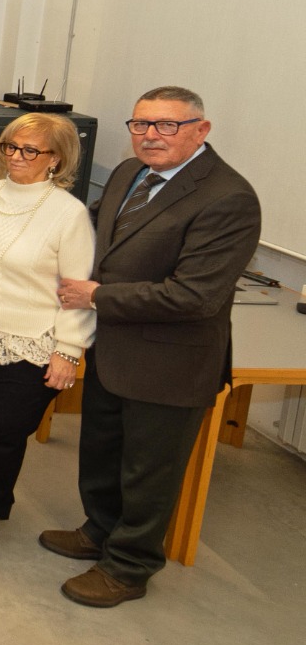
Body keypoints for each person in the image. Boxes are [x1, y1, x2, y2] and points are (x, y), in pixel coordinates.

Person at [44, 87, 261, 608]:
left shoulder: (228, 198)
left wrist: (98, 296)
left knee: (149, 473)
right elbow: (96, 235)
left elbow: (195, 296)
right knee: (102, 454)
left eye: (167, 125)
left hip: (170, 364)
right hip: (114, 352)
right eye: (140, 124)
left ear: (201, 130)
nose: (150, 136)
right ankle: (99, 531)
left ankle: (129, 567)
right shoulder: (129, 173)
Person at [0, 113, 95, 561]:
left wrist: (69, 351)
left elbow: (77, 289)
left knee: (3, 431)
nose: (16, 157)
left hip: (32, 339)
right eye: (10, 146)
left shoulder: (69, 213)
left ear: (56, 159)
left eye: (30, 150)